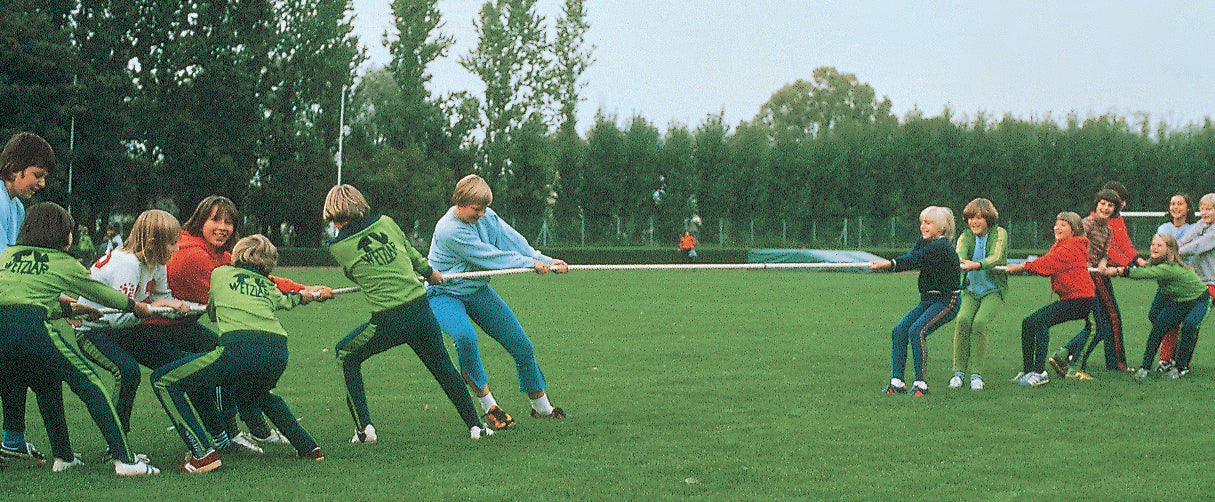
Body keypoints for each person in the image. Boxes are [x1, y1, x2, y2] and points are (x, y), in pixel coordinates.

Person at [144, 195, 326, 450]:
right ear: (200, 221)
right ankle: (228, 435)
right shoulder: (195, 255)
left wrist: (303, 288)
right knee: (221, 364)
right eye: (215, 220)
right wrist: (302, 292)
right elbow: (247, 286)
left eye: (228, 222)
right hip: (156, 327)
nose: (222, 228)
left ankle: (248, 430)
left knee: (229, 361)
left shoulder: (216, 255)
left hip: (179, 326)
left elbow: (255, 279)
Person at [323, 184, 493, 443]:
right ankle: (476, 427)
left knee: (345, 354)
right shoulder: (386, 222)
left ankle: (365, 429)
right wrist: (430, 273)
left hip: (387, 321)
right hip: (421, 310)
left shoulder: (337, 247)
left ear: (335, 217)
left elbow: (354, 274)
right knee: (444, 369)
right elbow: (412, 255)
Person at [0, 202, 159, 474]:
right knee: (91, 385)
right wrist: (134, 306)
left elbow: (23, 299)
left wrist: (73, 309)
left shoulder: (7, 256)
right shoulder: (63, 262)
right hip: (34, 330)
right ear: (60, 233)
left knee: (47, 383)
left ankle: (64, 457)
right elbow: (98, 291)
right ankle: (126, 460)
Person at [428, 174, 569, 426]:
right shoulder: (449, 230)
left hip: (476, 289)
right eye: (476, 208)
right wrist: (530, 264)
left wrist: (545, 260)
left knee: (520, 343)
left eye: (485, 208)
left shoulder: (487, 216)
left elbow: (513, 241)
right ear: (460, 202)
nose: (481, 214)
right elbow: (491, 258)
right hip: (443, 293)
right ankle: (489, 407)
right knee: (465, 338)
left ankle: (542, 407)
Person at [73, 210, 209, 449]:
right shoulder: (128, 265)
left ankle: (216, 435)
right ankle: (117, 447)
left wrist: (184, 307)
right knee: (128, 372)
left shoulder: (156, 262)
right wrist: (156, 307)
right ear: (152, 242)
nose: (176, 248)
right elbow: (117, 318)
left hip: (126, 326)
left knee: (181, 365)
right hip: (94, 330)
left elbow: (162, 298)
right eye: (171, 243)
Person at [0, 131, 54, 466]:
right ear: (14, 168)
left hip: (6, 301)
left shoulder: (17, 206)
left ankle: (13, 441)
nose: (41, 184)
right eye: (37, 175)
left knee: (14, 365)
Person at [869, 206, 960, 397]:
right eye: (922, 222)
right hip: (928, 299)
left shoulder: (941, 247)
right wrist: (892, 265)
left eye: (928, 223)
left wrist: (890, 264)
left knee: (917, 331)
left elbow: (916, 259)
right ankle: (897, 382)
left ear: (941, 228)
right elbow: (912, 258)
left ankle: (921, 384)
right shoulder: (923, 242)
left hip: (946, 300)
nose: (923, 226)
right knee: (899, 331)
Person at [1005, 212, 1095, 387]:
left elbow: (1047, 263)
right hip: (1072, 298)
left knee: (1040, 322)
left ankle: (1040, 373)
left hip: (1081, 300)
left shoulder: (1070, 247)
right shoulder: (1062, 246)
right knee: (1028, 323)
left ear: (1074, 230)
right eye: (1057, 224)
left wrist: (1022, 267)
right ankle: (1028, 371)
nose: (1057, 228)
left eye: (1063, 225)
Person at [1103, 234, 1209, 380]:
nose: (1154, 248)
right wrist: (1118, 268)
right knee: (1158, 328)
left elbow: (1144, 273)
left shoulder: (1169, 268)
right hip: (1178, 301)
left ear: (1169, 250)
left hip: (1199, 301)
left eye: (1159, 245)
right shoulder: (1157, 263)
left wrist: (1117, 271)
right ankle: (1145, 367)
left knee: (1189, 327)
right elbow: (1142, 268)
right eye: (1153, 244)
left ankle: (1180, 368)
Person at [1049, 189, 1127, 378]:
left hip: (1095, 275)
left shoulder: (1108, 230)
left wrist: (1102, 264)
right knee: (1098, 324)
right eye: (1103, 204)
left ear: (1115, 209)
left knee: (1099, 324)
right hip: (1086, 278)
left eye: (1110, 205)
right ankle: (1074, 364)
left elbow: (1104, 253)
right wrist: (1086, 263)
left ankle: (1064, 354)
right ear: (1096, 204)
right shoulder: (1087, 224)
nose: (1105, 208)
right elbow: (1078, 244)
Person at [949, 198, 1009, 391]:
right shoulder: (966, 235)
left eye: (979, 218)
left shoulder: (999, 233)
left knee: (980, 323)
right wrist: (962, 261)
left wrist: (976, 265)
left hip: (993, 291)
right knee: (963, 320)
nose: (974, 222)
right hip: (971, 291)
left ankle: (976, 375)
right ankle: (958, 374)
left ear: (988, 219)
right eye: (971, 218)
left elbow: (995, 257)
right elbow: (959, 255)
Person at [1170, 193, 1215, 372]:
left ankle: (1180, 364)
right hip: (1198, 283)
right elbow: (1184, 240)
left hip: (1211, 284)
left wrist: (1177, 253)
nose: (1204, 213)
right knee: (1189, 324)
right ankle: (1179, 363)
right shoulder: (1200, 225)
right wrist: (1170, 248)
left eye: (1209, 209)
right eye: (1202, 209)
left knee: (1191, 323)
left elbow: (1198, 246)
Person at [1152, 193, 1197, 370]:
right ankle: (1169, 357)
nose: (1175, 207)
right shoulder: (1163, 228)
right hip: (1167, 283)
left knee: (1189, 323)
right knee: (1155, 315)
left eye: (1180, 204)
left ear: (1188, 208)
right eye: (1172, 204)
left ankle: (1178, 362)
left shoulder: (1193, 229)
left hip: (1185, 284)